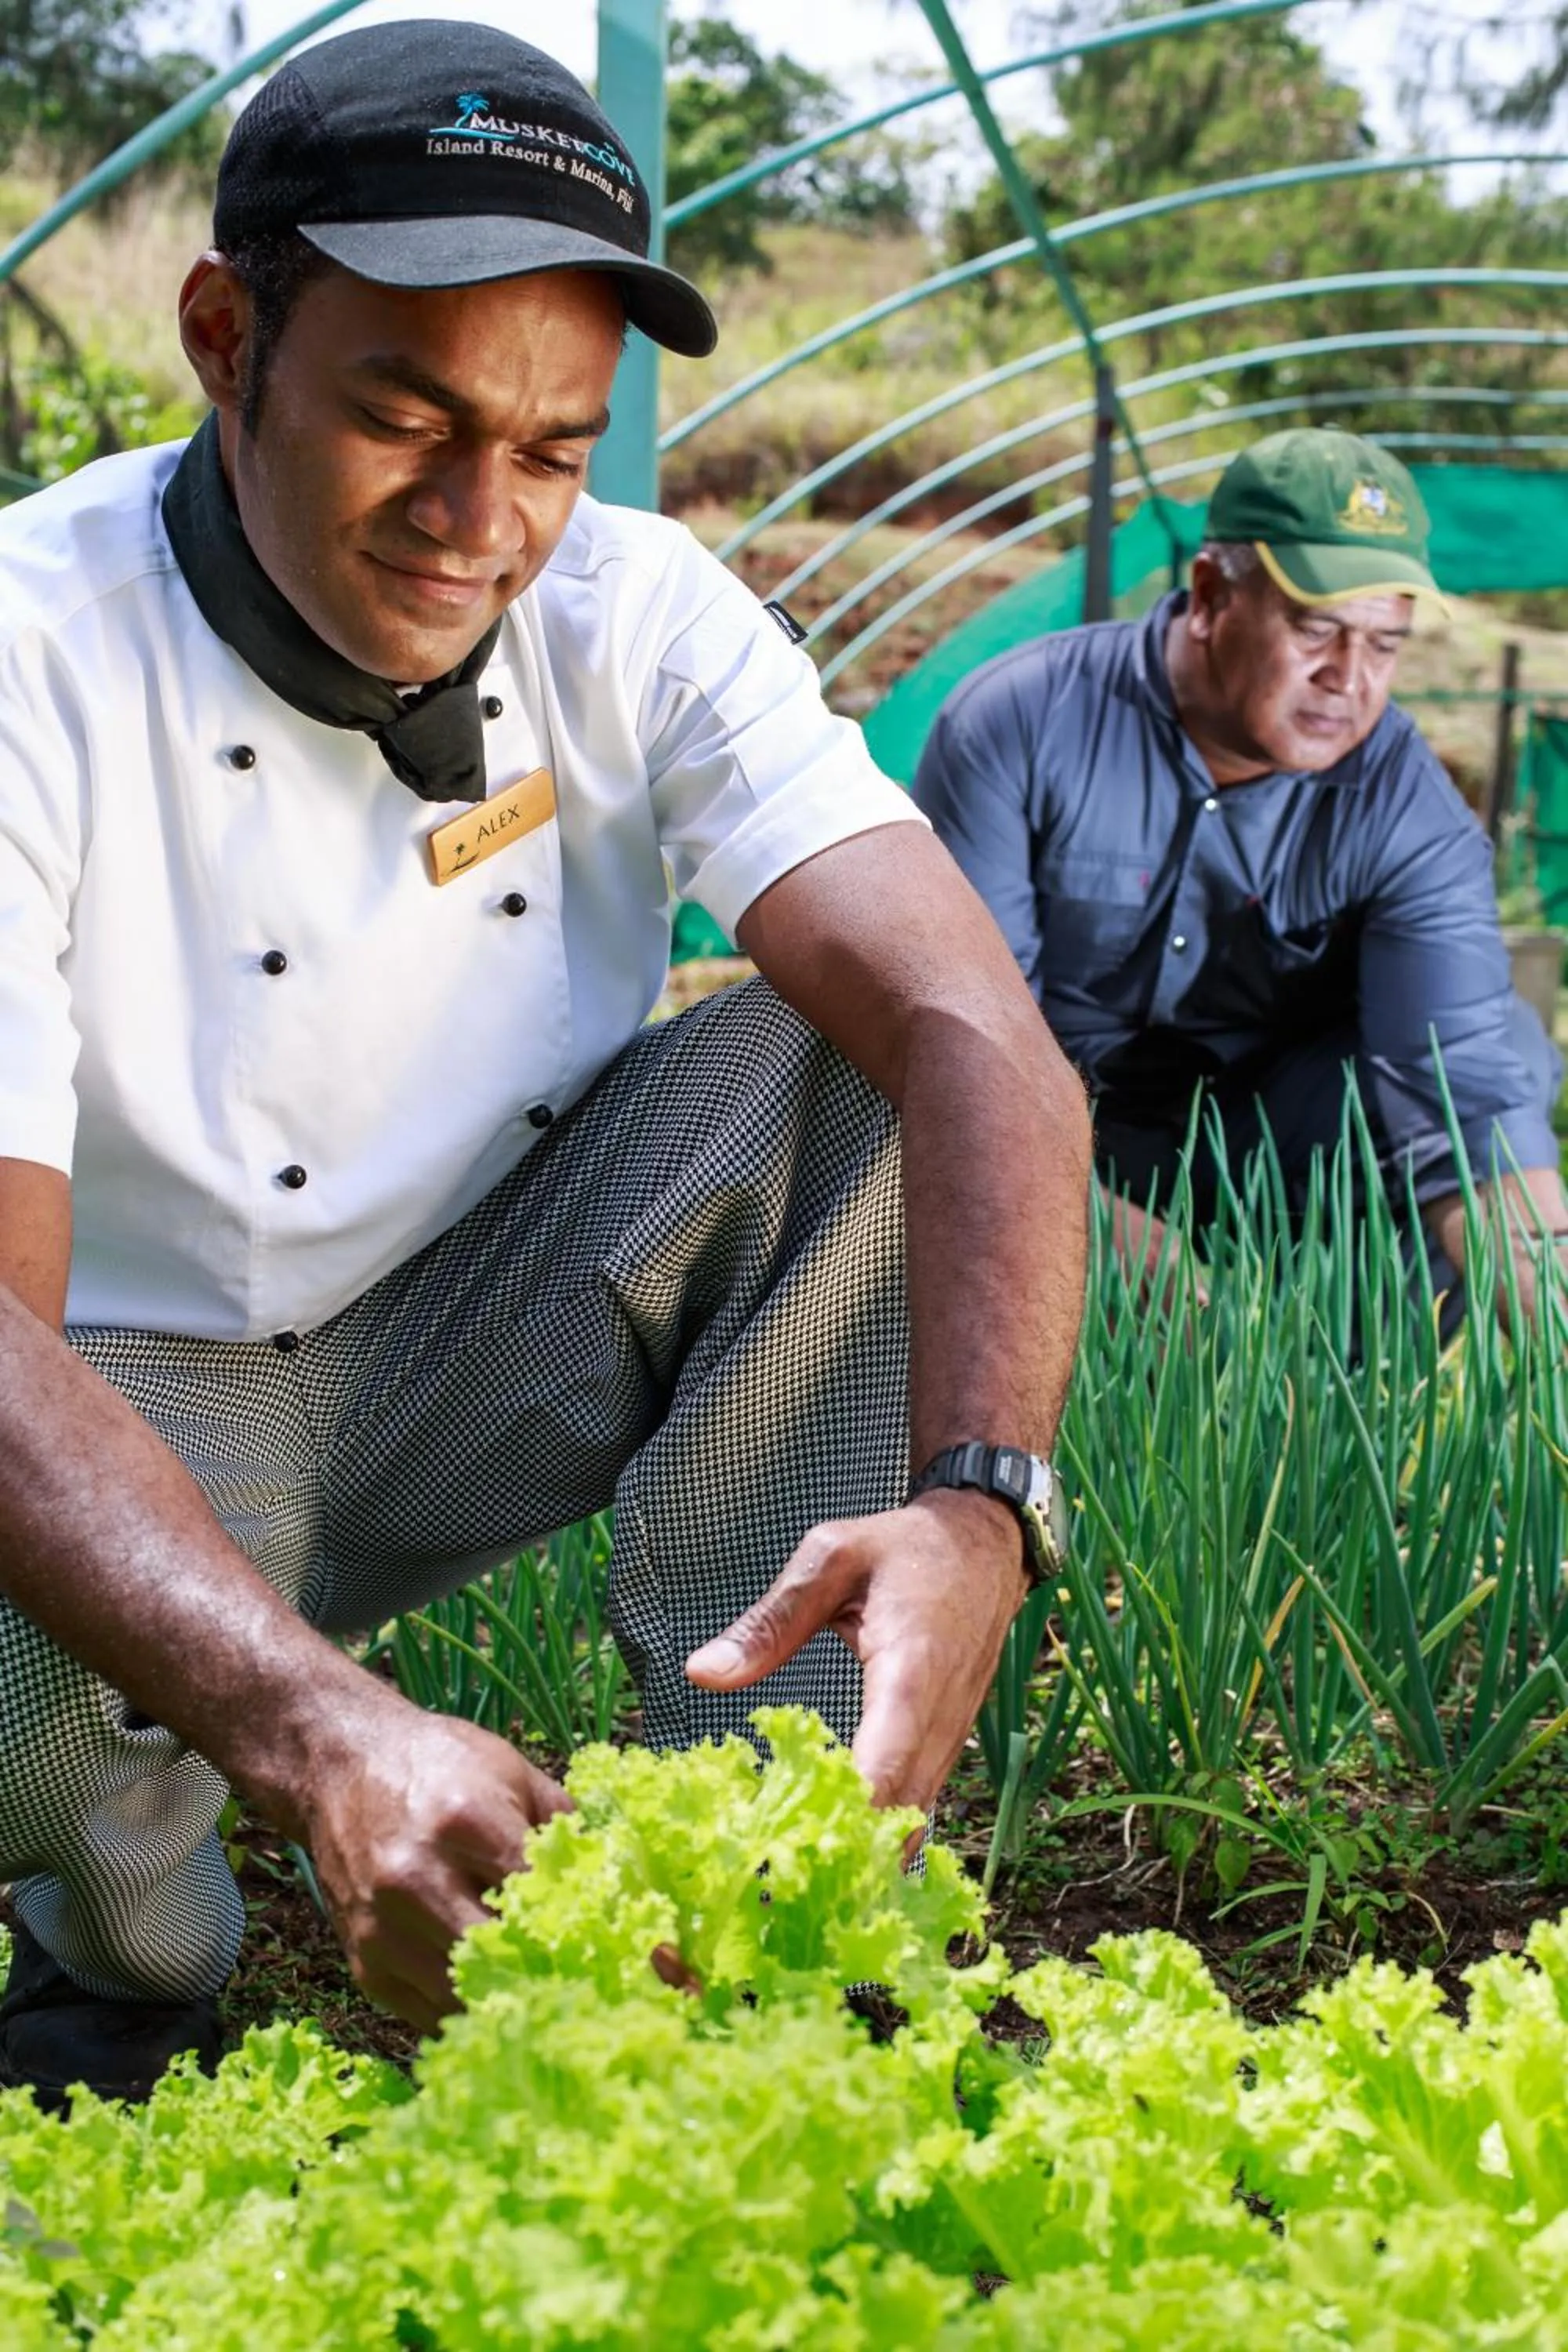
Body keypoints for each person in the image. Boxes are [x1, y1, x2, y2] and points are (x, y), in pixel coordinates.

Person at [0, 20, 1091, 2109]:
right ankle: (128, 1954)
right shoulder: (30, 651)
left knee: (866, 1066)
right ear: (226, 338)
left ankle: (742, 1881)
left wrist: (979, 1506)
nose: (479, 520)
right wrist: (317, 1729)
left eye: (555, 445)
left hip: (461, 1336)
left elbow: (980, 1038)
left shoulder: (638, 608)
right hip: (120, 1386)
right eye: (400, 416)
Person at [913, 427, 1565, 1319]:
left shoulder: (1403, 801)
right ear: (1212, 595)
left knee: (1513, 1060)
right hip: (1052, 1126)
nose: (1348, 679)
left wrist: (1543, 1303)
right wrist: (1094, 1227)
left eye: (1383, 645)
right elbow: (969, 1046)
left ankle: (1328, 1396)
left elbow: (1458, 1073)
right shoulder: (1018, 724)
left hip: (1264, 1142)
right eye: (1316, 628)